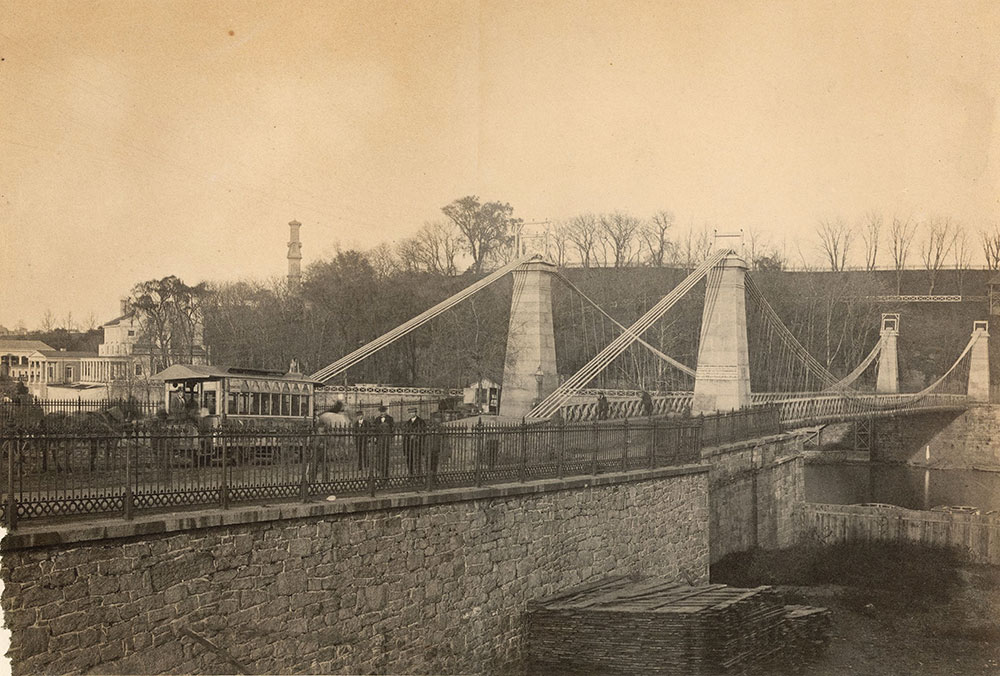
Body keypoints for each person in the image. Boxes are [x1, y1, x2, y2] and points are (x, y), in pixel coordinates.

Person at [402, 407, 427, 476]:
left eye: (413, 412)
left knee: (417, 461)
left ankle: (419, 476)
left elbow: (423, 432)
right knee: (409, 462)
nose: (411, 414)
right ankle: (411, 476)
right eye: (410, 413)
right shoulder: (407, 423)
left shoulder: (421, 422)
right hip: (409, 446)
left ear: (416, 413)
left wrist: (416, 436)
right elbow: (404, 434)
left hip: (417, 445)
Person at [373, 405, 394, 478]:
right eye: (381, 412)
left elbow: (392, 430)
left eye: (384, 411)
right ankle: (380, 471)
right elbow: (374, 430)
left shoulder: (390, 419)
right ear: (380, 412)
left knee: (386, 456)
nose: (383, 413)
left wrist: (390, 437)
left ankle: (386, 473)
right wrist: (375, 437)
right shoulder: (377, 419)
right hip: (379, 440)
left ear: (386, 411)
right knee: (379, 455)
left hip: (386, 440)